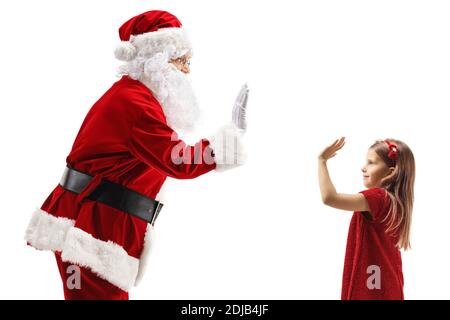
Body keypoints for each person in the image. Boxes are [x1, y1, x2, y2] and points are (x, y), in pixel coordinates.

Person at [24, 10, 248, 300]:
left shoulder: (133, 97)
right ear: (157, 62)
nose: (187, 71)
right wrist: (230, 139)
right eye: (181, 62)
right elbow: (177, 159)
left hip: (94, 228)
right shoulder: (135, 105)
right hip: (90, 232)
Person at [318, 137, 415, 299]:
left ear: (390, 172)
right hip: (388, 287)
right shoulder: (395, 202)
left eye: (371, 163)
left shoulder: (377, 197)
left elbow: (329, 198)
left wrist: (322, 161)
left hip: (371, 290)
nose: (363, 168)